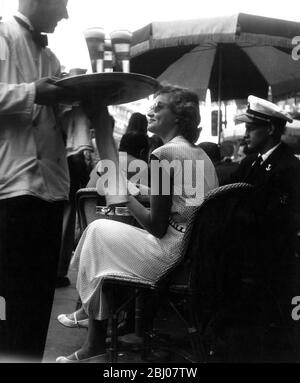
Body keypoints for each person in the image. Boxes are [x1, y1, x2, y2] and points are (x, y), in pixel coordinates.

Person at [56, 85, 219, 362]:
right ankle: (90, 315)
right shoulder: (198, 154)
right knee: (104, 239)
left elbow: (155, 226)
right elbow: (182, 198)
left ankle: (92, 337)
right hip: (194, 258)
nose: (151, 111)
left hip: (169, 257)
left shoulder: (162, 154)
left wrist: (124, 194)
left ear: (179, 117)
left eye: (160, 107)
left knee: (96, 230)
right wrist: (139, 189)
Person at [0, 0, 74, 362]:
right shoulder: (1, 34)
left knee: (37, 303)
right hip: (10, 189)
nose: (65, 15)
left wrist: (74, 103)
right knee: (8, 302)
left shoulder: (52, 60)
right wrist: (33, 93)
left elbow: (56, 126)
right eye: (62, 4)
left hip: (49, 190)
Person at [231, 95, 300, 360]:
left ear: (270, 129)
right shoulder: (250, 163)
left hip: (270, 267)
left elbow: (279, 222)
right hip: (245, 262)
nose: (245, 134)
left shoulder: (290, 167)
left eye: (250, 128)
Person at [56, 107, 94, 288]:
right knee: (66, 224)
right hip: (68, 183)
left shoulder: (60, 113)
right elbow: (79, 159)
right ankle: (58, 272)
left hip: (56, 177)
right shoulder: (77, 115)